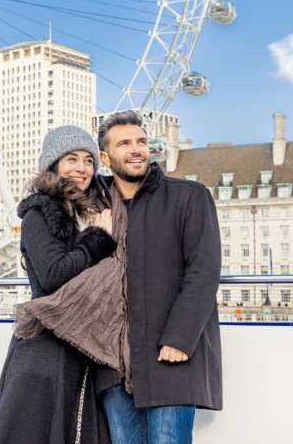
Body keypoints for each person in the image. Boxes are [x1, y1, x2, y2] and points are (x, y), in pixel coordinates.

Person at [0, 125, 117, 444]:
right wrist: (98, 238)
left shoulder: (79, 212)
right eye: (72, 159)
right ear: (53, 164)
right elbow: (54, 274)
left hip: (75, 344)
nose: (82, 168)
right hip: (46, 347)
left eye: (88, 160)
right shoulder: (39, 213)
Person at [94, 110, 222, 444]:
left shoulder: (190, 196)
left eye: (141, 141)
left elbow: (204, 269)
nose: (136, 149)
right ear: (106, 157)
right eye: (125, 143)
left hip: (169, 356)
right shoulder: (95, 207)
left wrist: (180, 338)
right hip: (112, 360)